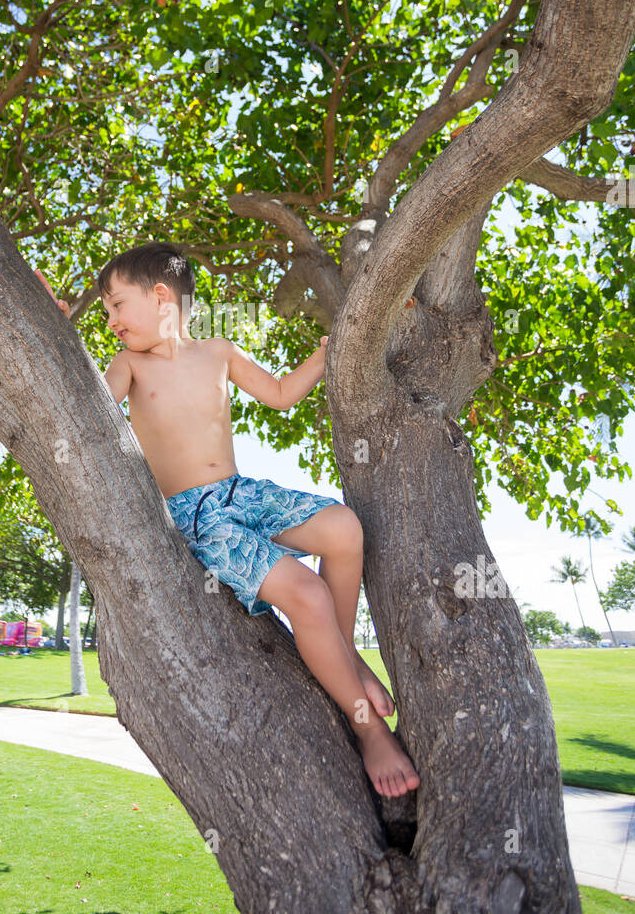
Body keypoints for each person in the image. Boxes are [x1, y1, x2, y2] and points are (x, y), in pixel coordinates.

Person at [34, 244, 419, 799]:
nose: (112, 322)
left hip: (241, 492)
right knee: (306, 594)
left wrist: (324, 355)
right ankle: (369, 730)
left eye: (117, 306)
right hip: (196, 515)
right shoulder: (129, 366)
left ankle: (345, 654)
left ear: (161, 296)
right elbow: (85, 405)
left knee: (343, 529)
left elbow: (282, 395)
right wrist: (57, 332)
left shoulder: (219, 351)